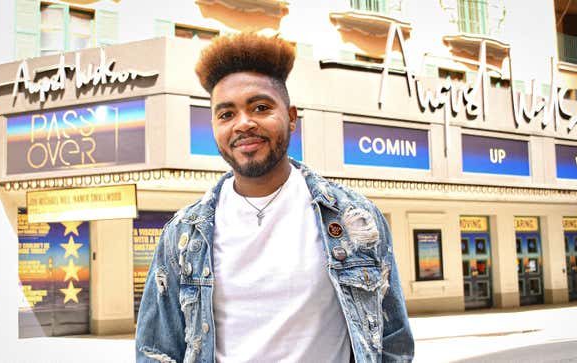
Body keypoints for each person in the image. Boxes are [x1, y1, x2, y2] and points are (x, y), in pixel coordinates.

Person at [135, 32, 414, 363]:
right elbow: (156, 351)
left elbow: (393, 340)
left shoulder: (353, 218)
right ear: (214, 127)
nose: (244, 124)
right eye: (226, 114)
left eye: (261, 107)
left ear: (291, 117)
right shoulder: (182, 235)